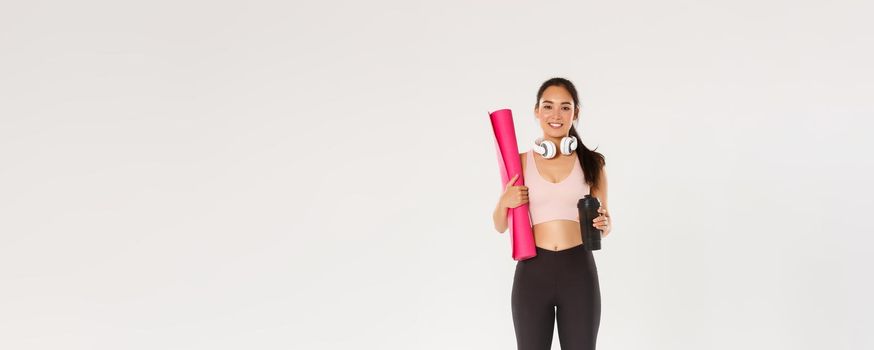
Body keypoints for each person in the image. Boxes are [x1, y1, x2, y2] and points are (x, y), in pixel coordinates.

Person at [492, 77, 612, 350]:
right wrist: (505, 202)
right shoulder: (520, 163)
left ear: (576, 113)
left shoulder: (593, 163)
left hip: (578, 270)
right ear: (537, 111)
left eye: (565, 107)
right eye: (548, 106)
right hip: (533, 272)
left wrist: (604, 223)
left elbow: (606, 223)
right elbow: (500, 225)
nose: (556, 115)